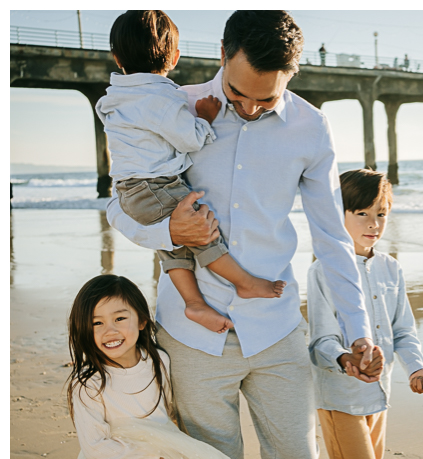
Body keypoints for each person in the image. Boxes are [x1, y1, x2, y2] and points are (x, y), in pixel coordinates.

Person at [106, 10, 378, 459]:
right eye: (239, 94)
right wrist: (166, 231)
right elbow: (121, 199)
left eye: (266, 100)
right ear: (222, 53)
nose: (250, 108)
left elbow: (332, 239)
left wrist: (359, 334)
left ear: (291, 76)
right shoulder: (170, 107)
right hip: (191, 328)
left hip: (276, 326)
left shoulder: (310, 127)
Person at [97, 10, 284, 335]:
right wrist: (204, 118)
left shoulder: (116, 97)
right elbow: (191, 138)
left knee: (175, 244)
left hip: (130, 191)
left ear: (116, 58)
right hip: (155, 185)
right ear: (174, 57)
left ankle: (193, 302)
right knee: (201, 231)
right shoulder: (160, 98)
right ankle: (246, 283)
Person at [307, 169, 423, 459]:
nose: (373, 224)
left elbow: (403, 330)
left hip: (380, 396)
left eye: (381, 214)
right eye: (361, 213)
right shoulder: (324, 271)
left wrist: (417, 367)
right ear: (338, 215)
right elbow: (320, 341)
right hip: (340, 397)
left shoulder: (391, 269)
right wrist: (345, 359)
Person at [67, 275, 235, 459]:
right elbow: (94, 447)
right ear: (84, 329)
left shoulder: (159, 361)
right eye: (97, 323)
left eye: (120, 318)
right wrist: (150, 458)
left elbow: (168, 412)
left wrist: (176, 455)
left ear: (142, 320)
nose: (110, 330)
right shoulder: (89, 384)